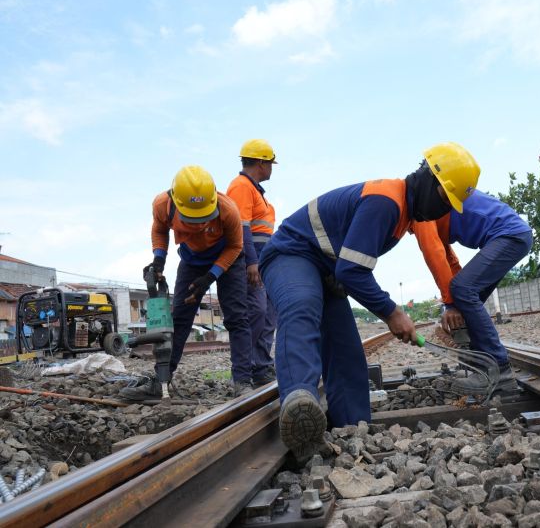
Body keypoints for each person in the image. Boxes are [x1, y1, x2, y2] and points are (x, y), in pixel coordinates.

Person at [259, 142, 480, 459]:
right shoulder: (387, 202)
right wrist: (392, 313)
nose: (442, 209)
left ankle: (352, 428)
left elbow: (347, 266)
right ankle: (298, 401)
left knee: (346, 349)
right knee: (302, 304)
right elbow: (353, 270)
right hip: (290, 255)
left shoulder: (402, 211)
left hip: (328, 270)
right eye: (445, 199)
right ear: (429, 180)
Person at [121, 165, 253, 400]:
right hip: (192, 261)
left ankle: (243, 382)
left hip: (228, 260)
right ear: (176, 202)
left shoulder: (228, 209)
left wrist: (211, 276)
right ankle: (161, 381)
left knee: (237, 318)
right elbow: (160, 228)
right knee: (180, 319)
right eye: (193, 219)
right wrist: (158, 260)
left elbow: (235, 246)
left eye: (204, 218)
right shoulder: (163, 205)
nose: (200, 225)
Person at [410, 189, 532, 395]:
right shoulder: (428, 204)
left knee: (462, 290)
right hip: (512, 235)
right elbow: (450, 259)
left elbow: (435, 255)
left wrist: (450, 303)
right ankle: (481, 368)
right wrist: (454, 302)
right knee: (464, 294)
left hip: (510, 235)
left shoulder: (419, 210)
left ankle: (499, 370)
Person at [226, 139, 278, 387]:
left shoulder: (254, 190)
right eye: (270, 164)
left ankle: (261, 367)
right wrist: (251, 262)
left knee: (268, 313)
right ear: (261, 162)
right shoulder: (241, 186)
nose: (272, 168)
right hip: (251, 258)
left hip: (263, 257)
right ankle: (244, 371)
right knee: (255, 312)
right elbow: (241, 227)